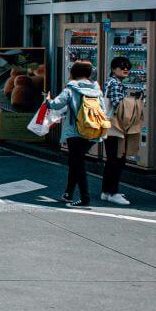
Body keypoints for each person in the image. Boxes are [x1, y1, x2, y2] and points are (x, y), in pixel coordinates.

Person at [43, 60, 104, 208]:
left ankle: (85, 198)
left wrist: (47, 100)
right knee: (75, 162)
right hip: (93, 130)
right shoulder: (97, 89)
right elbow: (102, 108)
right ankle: (68, 193)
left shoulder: (70, 89)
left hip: (75, 132)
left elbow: (56, 104)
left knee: (78, 165)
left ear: (73, 73)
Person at [101, 56, 133, 205]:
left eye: (127, 66)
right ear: (114, 69)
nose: (125, 69)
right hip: (116, 126)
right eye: (121, 67)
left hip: (110, 125)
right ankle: (113, 192)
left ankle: (107, 191)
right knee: (117, 160)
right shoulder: (115, 84)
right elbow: (118, 105)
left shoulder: (110, 82)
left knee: (111, 159)